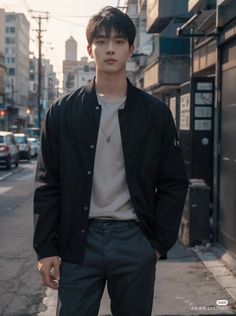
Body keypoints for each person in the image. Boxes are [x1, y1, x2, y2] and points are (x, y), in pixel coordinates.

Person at [33, 6, 188, 316]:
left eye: (118, 41)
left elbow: (173, 182)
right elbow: (48, 183)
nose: (110, 49)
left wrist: (156, 244)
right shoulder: (63, 111)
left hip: (134, 239)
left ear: (131, 48)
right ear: (90, 49)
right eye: (102, 42)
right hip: (78, 241)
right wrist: (46, 248)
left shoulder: (154, 114)